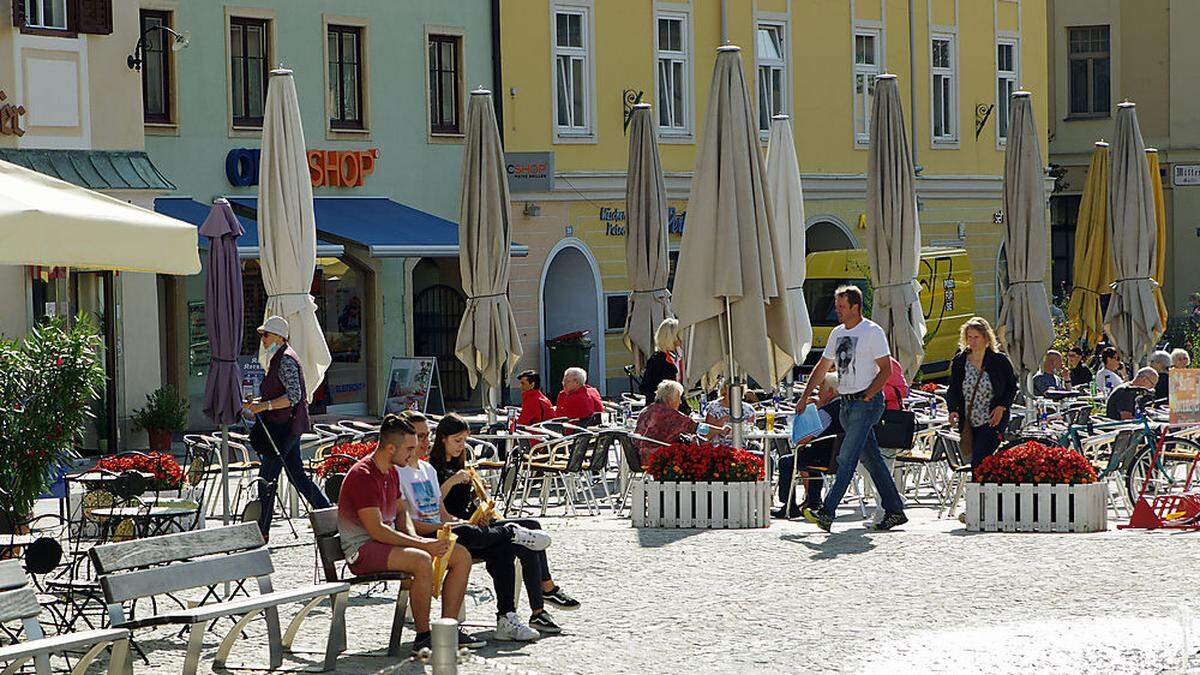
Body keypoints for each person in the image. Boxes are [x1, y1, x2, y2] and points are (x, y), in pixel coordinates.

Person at [393, 412, 552, 643]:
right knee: (486, 535)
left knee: (503, 548)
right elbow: (407, 523)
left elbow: (444, 513)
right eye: (419, 436)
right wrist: (453, 524)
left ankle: (506, 617)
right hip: (424, 537)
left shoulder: (426, 469)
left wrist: (462, 522)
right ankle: (512, 533)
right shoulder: (398, 472)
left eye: (427, 435)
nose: (425, 442)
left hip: (446, 531)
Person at [425, 412, 579, 632]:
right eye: (457, 441)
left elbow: (465, 506)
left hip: (474, 525)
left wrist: (482, 510)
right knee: (522, 539)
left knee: (532, 526)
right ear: (443, 439)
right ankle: (543, 598)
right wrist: (453, 481)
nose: (462, 446)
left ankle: (539, 606)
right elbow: (435, 502)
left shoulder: (462, 464)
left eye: (465, 440)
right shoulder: (433, 468)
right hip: (458, 531)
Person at [336, 414, 474, 655]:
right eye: (409, 448)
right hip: (362, 549)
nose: (415, 453)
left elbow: (402, 516)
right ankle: (423, 637)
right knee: (421, 560)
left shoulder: (390, 471)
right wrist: (422, 545)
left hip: (384, 543)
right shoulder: (364, 476)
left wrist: (421, 541)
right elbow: (377, 530)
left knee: (460, 555)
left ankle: (447, 630)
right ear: (390, 448)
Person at [796, 285, 907, 533]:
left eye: (841, 307)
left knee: (846, 458)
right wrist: (805, 396)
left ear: (855, 307)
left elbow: (886, 370)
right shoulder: (836, 333)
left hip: (865, 404)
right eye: (837, 306)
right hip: (847, 404)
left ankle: (827, 511)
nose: (837, 311)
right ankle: (895, 509)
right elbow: (823, 366)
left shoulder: (872, 332)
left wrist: (868, 395)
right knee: (872, 460)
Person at [242, 316, 331, 538]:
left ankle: (261, 531)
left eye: (266, 334)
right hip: (288, 426)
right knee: (297, 476)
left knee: (266, 479)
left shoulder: (286, 360)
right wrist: (259, 402)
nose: (262, 339)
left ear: (279, 337)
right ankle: (329, 514)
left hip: (285, 428)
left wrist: (264, 406)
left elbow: (293, 396)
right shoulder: (278, 357)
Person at [945, 317, 1017, 472]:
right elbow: (954, 388)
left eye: (976, 337)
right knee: (977, 461)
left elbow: (1011, 386)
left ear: (986, 338)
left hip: (992, 420)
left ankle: (978, 493)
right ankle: (984, 492)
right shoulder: (960, 360)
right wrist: (952, 409)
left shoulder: (999, 361)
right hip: (968, 421)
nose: (972, 341)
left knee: (979, 460)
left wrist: (1002, 406)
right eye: (969, 337)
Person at [774, 374, 843, 519]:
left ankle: (789, 506)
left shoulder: (827, 412)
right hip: (841, 459)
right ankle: (813, 501)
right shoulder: (847, 409)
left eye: (820, 390)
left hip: (823, 459)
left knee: (786, 461)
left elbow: (804, 439)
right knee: (810, 456)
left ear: (830, 392)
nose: (818, 394)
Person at [633, 380, 702, 463]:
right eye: (678, 398)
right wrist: (718, 429)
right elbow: (696, 427)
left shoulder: (647, 410)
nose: (680, 402)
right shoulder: (671, 414)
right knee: (695, 448)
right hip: (658, 457)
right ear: (670, 399)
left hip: (638, 457)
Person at [639, 318, 688, 411]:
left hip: (677, 408)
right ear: (672, 337)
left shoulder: (678, 357)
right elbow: (646, 388)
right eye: (680, 336)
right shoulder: (657, 360)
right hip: (661, 410)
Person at [704, 380, 757, 448]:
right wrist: (719, 423)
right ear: (725, 389)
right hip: (719, 449)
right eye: (732, 388)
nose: (736, 391)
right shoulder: (714, 407)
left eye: (740, 388)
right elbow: (706, 435)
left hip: (742, 449)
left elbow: (752, 436)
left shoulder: (748, 409)